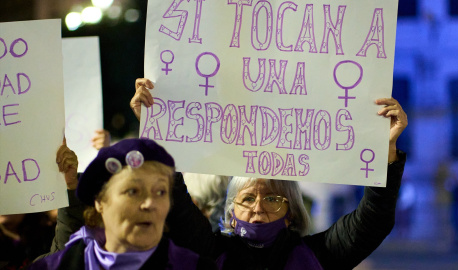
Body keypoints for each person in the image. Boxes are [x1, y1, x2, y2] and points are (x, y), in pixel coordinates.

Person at [130, 78, 408, 269]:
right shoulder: (210, 254)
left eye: (273, 199)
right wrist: (155, 130)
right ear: (231, 213)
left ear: (292, 214)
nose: (258, 208)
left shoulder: (319, 255)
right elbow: (174, 204)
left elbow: (374, 220)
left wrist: (386, 152)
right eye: (247, 199)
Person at [29, 138, 216, 269]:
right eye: (133, 192)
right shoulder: (53, 266)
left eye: (160, 192)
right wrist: (69, 188)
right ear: (100, 202)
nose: (149, 203)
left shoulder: (192, 264)